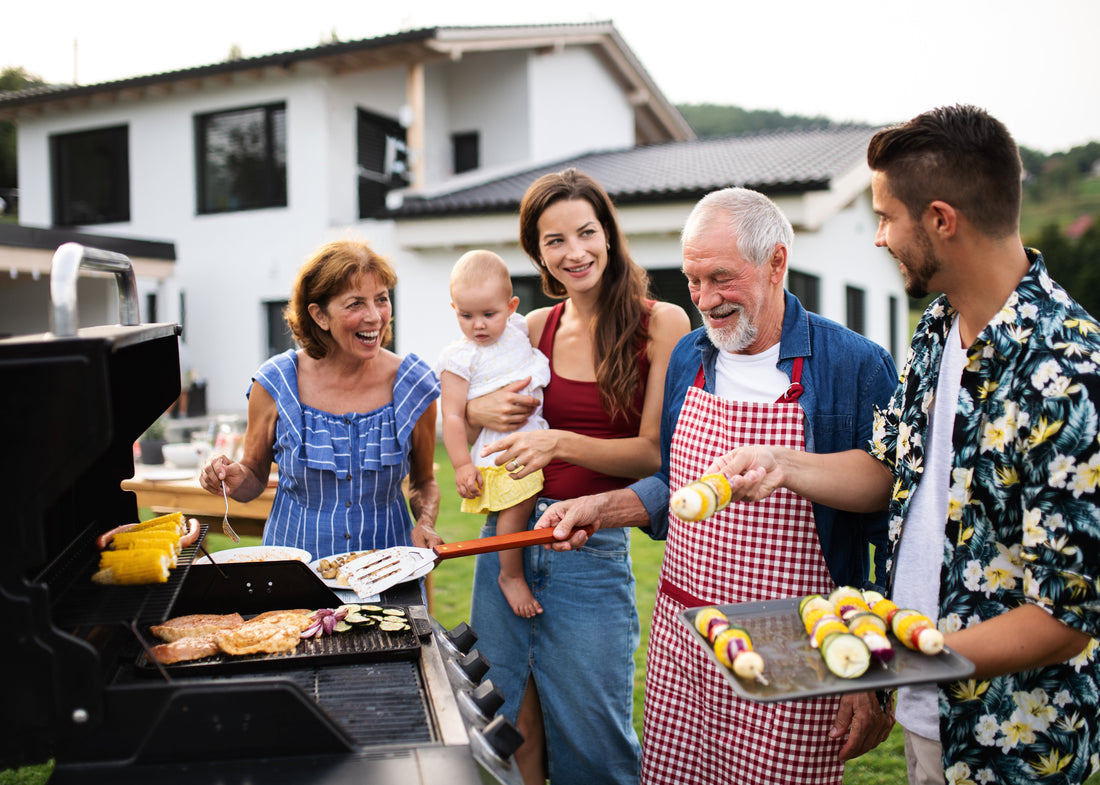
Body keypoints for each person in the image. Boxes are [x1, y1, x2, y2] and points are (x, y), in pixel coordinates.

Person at [702, 105, 1100, 785]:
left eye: (886, 217)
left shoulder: (1069, 369)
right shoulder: (936, 328)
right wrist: (784, 464)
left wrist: (902, 652)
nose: (879, 237)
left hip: (1009, 740)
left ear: (942, 219)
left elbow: (1068, 614)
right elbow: (890, 472)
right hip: (923, 711)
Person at [535, 186, 899, 785]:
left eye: (721, 279)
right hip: (686, 644)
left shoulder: (853, 365)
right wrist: (603, 507)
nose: (704, 299)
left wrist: (873, 673)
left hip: (795, 647)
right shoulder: (687, 358)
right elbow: (675, 483)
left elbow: (890, 518)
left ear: (776, 262)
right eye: (692, 280)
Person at [463, 168, 691, 785]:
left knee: (596, 744)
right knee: (504, 729)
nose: (574, 252)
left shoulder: (663, 323)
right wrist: (474, 411)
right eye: (554, 241)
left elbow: (652, 454)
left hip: (590, 549)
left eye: (586, 232)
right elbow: (469, 394)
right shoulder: (532, 328)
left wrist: (559, 441)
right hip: (507, 542)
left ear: (609, 235)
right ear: (537, 253)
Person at [199, 238, 442, 560]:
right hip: (294, 574)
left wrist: (425, 522)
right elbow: (254, 477)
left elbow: (423, 481)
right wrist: (231, 478)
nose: (375, 317)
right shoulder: (275, 382)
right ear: (319, 315)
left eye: (381, 299)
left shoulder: (413, 384)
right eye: (356, 304)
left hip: (388, 571)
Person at [437, 249, 551, 618]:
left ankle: (513, 570)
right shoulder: (460, 357)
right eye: (466, 315)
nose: (478, 326)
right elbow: (452, 415)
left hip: (534, 434)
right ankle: (509, 574)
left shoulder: (519, 329)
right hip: (500, 447)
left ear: (512, 305)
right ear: (453, 308)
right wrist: (460, 466)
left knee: (525, 503)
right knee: (515, 505)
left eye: (489, 314)